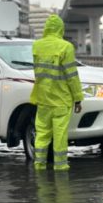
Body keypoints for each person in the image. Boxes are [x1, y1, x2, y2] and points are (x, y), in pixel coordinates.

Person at [30, 14, 84, 171]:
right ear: (61, 29)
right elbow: (71, 76)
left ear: (46, 28)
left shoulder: (36, 46)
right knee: (59, 135)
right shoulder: (65, 47)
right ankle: (60, 166)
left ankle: (39, 164)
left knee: (42, 133)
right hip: (61, 99)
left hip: (42, 98)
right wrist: (78, 98)